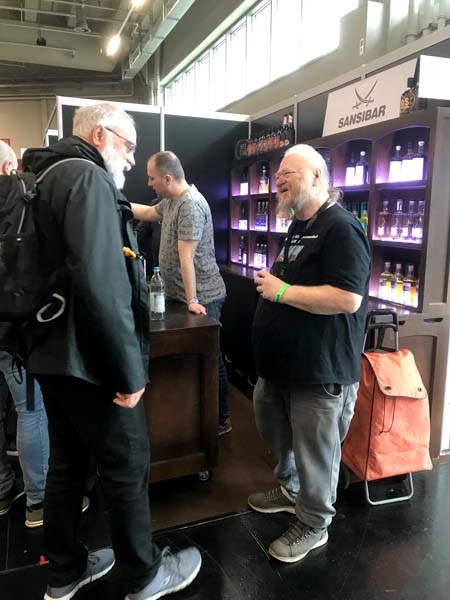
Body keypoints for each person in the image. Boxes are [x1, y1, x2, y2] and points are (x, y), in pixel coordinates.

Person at [22, 104, 201, 600]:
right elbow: (103, 285)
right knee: (126, 462)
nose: (131, 159)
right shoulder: (87, 179)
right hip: (90, 359)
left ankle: (65, 571)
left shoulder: (46, 175)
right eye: (128, 145)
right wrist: (129, 372)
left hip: (51, 352)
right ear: (100, 135)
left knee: (67, 465)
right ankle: (144, 575)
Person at [248, 144, 370, 563]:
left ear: (317, 176)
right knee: (271, 424)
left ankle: (315, 521)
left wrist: (281, 291)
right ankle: (291, 491)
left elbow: (348, 298)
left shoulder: (342, 228)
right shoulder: (299, 226)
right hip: (282, 366)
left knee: (317, 449)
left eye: (288, 172)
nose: (278, 179)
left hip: (321, 369)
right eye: (277, 173)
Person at [131, 151, 231, 435]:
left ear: (167, 178)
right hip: (182, 296)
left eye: (152, 178)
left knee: (211, 357)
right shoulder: (171, 201)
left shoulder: (190, 205)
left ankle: (221, 418)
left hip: (204, 296)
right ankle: (195, 418)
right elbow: (148, 213)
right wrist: (117, 201)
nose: (149, 183)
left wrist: (193, 300)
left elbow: (186, 257)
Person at [0, 140, 56, 529]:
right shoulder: (18, 198)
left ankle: (3, 491)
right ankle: (39, 500)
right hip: (12, 326)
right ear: (9, 168)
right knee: (30, 410)